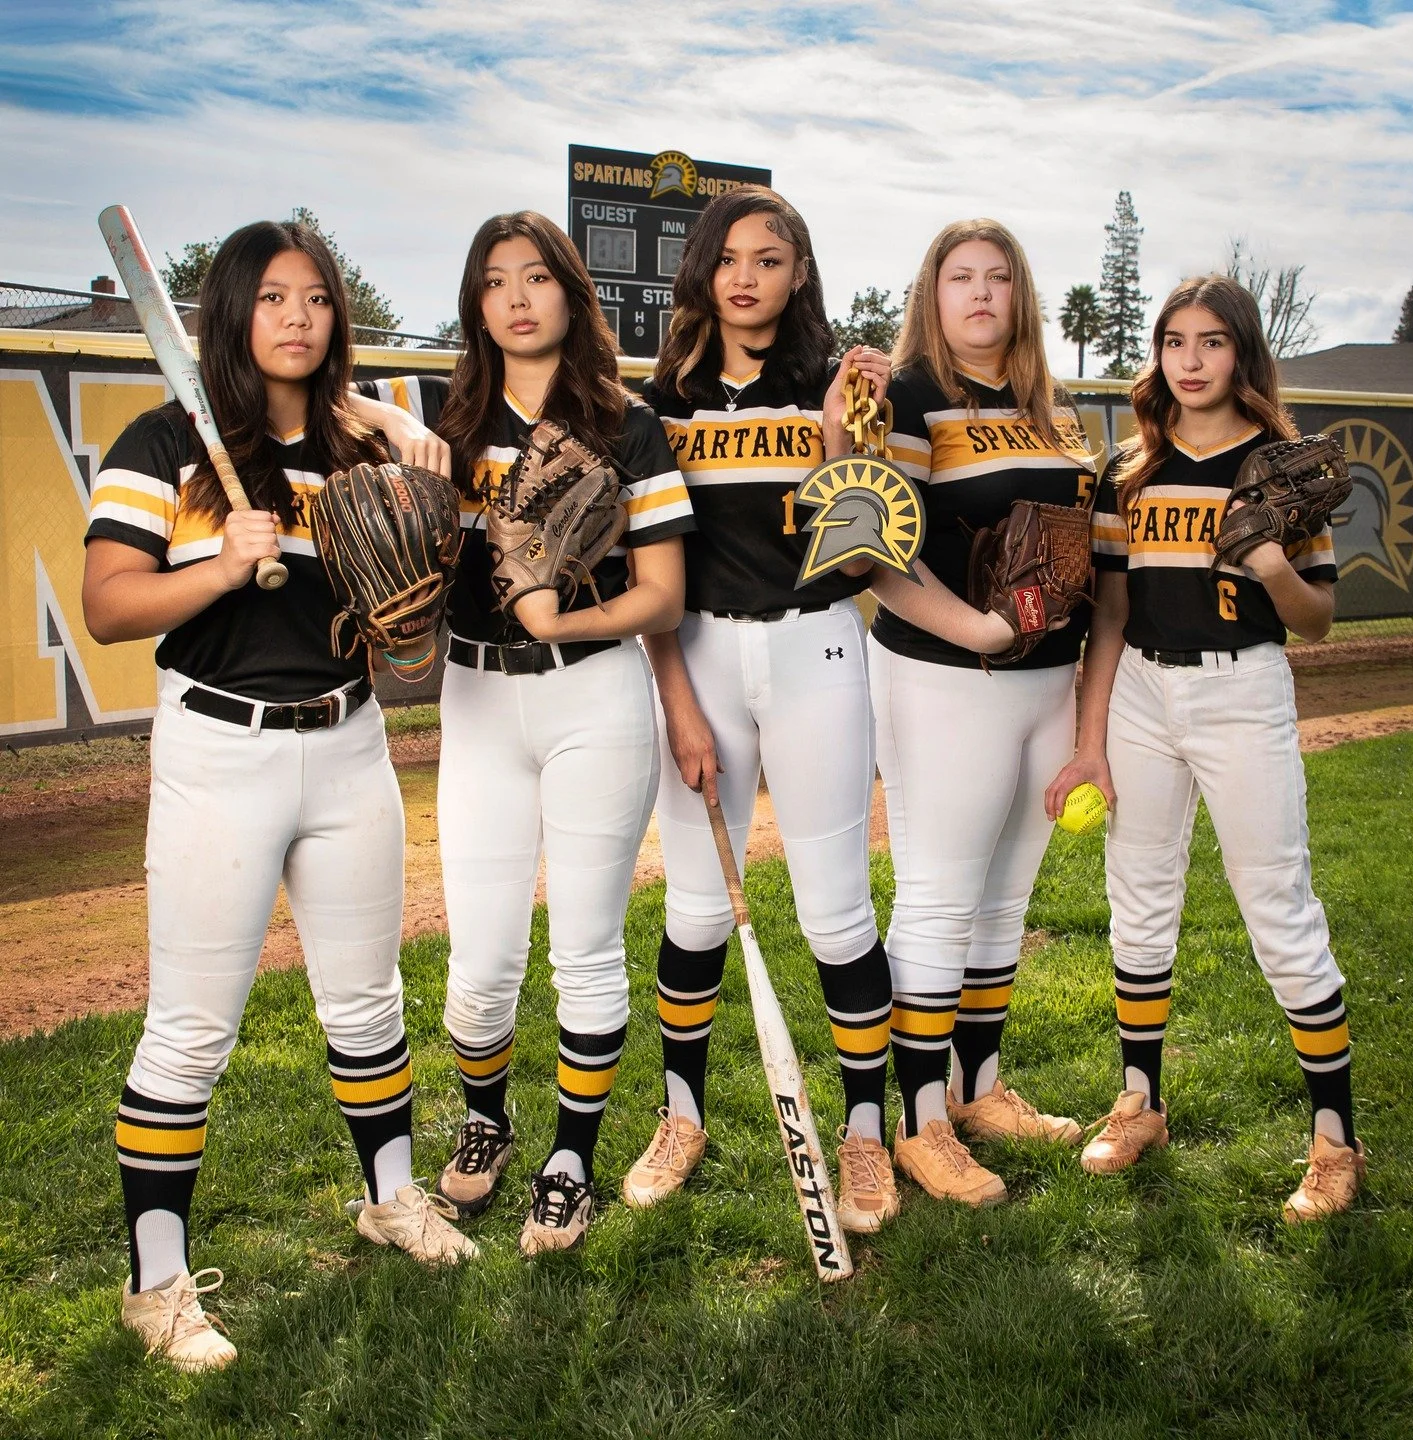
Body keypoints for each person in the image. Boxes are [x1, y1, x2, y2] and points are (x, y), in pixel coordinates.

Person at [82, 219, 472, 1373]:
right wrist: (215, 559)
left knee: (368, 999)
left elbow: (400, 577)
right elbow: (109, 604)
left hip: (348, 742)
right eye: (272, 298)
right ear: (233, 315)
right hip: (222, 750)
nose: (297, 316)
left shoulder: (359, 446)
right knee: (192, 1029)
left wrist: (403, 433)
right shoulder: (164, 444)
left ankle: (390, 1199)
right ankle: (154, 1286)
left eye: (316, 298)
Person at [357, 211, 693, 1255]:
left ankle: (571, 1162)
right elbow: (330, 407)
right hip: (475, 695)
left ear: (569, 294)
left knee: (587, 943)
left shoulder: (627, 424)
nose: (516, 296)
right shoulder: (441, 432)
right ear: (475, 305)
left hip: (592, 693)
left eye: (536, 276)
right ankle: (490, 1122)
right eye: (494, 280)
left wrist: (568, 617)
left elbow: (666, 598)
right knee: (483, 948)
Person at [620, 184, 915, 1234]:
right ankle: (683, 1115)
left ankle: (867, 1137)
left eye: (771, 258)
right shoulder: (658, 403)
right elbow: (649, 565)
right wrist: (679, 701)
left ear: (799, 275)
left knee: (838, 908)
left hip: (818, 648)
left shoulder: (838, 385)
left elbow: (870, 540)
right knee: (698, 910)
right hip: (698, 655)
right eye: (729, 257)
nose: (746, 277)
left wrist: (840, 437)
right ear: (703, 270)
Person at [1046, 275, 1363, 1221]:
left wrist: (1269, 559)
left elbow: (1318, 624)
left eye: (1212, 343)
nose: (1190, 361)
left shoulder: (1276, 468)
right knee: (1137, 899)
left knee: (1278, 905)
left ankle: (1336, 1142)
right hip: (1141, 686)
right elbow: (1109, 612)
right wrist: (1089, 741)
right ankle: (1141, 1102)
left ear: (1243, 354)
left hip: (1241, 687)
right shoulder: (1129, 471)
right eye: (1173, 342)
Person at [864, 219, 1096, 1207]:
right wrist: (974, 630)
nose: (981, 293)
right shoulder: (911, 399)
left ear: (1021, 294)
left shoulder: (1057, 413)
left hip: (1051, 676)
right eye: (961, 276)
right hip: (945, 673)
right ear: (934, 292)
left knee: (1004, 900)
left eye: (999, 277)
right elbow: (876, 550)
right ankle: (916, 1124)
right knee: (938, 896)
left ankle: (976, 1089)